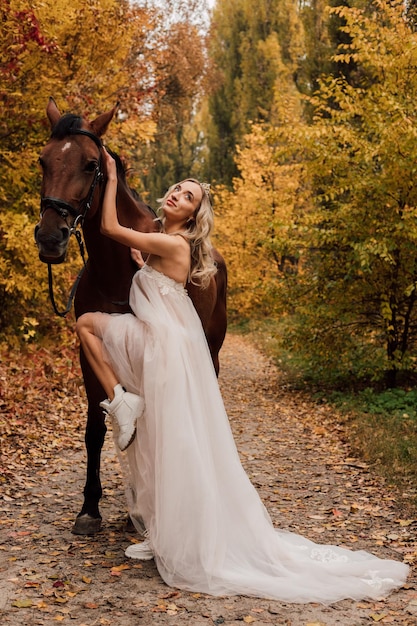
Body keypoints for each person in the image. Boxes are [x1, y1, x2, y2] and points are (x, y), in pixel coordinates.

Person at [76, 149, 409, 604]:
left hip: (161, 345)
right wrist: (141, 264)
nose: (177, 194)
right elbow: (156, 279)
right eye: (176, 189)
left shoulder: (175, 245)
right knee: (168, 441)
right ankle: (167, 525)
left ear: (194, 214)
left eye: (187, 195)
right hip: (166, 345)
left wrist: (111, 176)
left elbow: (110, 228)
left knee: (87, 324)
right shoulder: (162, 249)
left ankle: (119, 398)